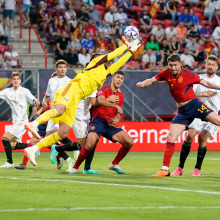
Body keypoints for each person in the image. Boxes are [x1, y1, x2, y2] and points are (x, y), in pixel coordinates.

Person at [24, 37, 141, 166]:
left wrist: (130, 52)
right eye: (103, 57)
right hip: (72, 89)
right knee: (59, 110)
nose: (105, 58)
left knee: (62, 133)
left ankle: (33, 149)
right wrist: (126, 46)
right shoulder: (95, 63)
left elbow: (118, 64)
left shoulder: (105, 73)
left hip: (76, 99)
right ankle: (34, 124)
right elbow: (112, 55)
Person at [136, 54, 220, 177]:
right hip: (183, 112)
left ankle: (195, 168)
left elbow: (206, 84)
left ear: (180, 65)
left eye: (175, 65)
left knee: (218, 121)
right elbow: (152, 80)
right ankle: (165, 169)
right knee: (171, 137)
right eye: (171, 65)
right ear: (168, 65)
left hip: (195, 106)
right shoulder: (165, 73)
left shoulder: (189, 74)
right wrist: (143, 83)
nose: (173, 68)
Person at [67, 70, 134, 174]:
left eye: (121, 78)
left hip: (109, 124)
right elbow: (99, 101)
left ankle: (114, 164)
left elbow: (118, 114)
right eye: (117, 77)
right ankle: (75, 168)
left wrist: (117, 120)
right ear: (112, 79)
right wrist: (113, 103)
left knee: (129, 142)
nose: (119, 80)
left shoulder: (121, 96)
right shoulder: (105, 89)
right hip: (97, 121)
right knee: (89, 144)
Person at [171, 55, 220, 177]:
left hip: (212, 114)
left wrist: (194, 95)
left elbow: (209, 93)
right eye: (209, 64)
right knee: (190, 135)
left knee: (203, 137)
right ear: (206, 64)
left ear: (216, 67)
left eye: (213, 65)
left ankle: (197, 168)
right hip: (198, 112)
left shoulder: (218, 81)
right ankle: (180, 167)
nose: (210, 66)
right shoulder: (198, 78)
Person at [0, 71, 40, 168]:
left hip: (22, 121)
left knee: (5, 138)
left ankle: (10, 162)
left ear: (20, 81)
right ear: (12, 80)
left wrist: (36, 100)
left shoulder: (24, 91)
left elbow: (32, 98)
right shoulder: (7, 92)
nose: (16, 81)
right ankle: (33, 148)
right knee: (12, 145)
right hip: (15, 121)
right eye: (14, 79)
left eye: (18, 79)